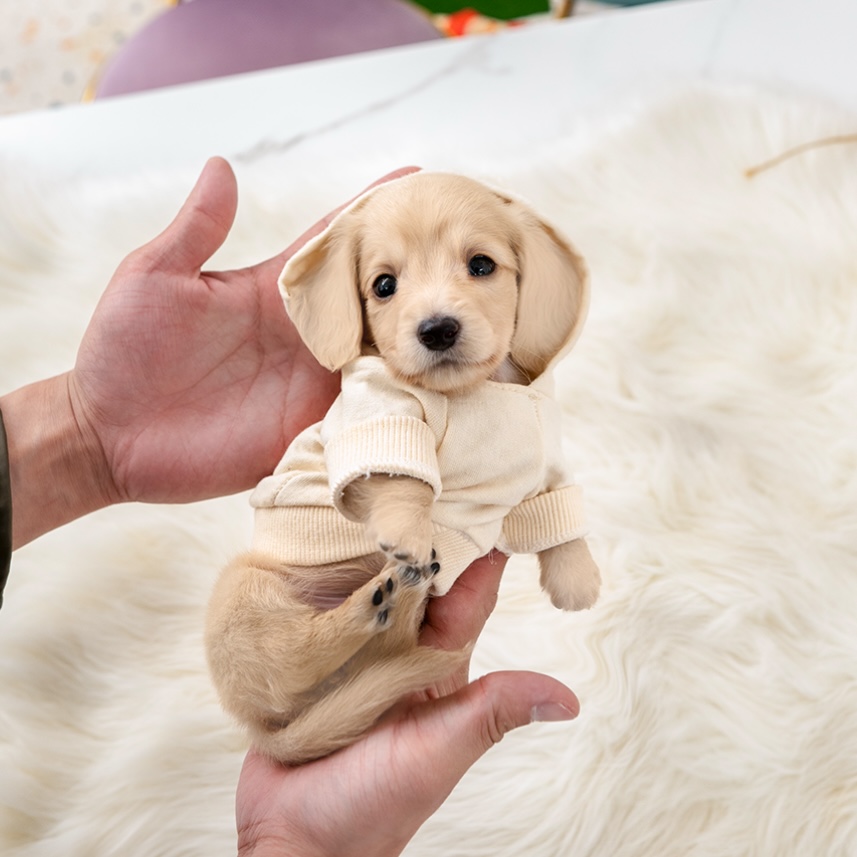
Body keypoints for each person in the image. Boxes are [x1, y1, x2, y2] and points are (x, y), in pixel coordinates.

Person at [0, 157, 579, 856]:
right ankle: (348, 627)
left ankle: (368, 627)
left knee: (408, 617)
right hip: (310, 569)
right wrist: (84, 429)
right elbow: (379, 445)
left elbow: (534, 478)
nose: (435, 311)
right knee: (244, 616)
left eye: (478, 265)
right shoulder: (379, 389)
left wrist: (562, 542)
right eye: (386, 285)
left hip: (399, 596)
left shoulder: (521, 406)